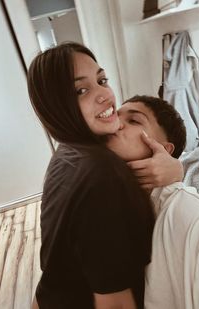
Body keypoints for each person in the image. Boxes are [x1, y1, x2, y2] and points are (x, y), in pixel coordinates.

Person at [27, 42, 159, 309]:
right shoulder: (101, 173)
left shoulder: (66, 153)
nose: (105, 95)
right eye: (81, 90)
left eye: (102, 80)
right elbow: (115, 304)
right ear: (56, 106)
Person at [106, 95, 199, 309]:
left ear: (164, 149)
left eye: (134, 120)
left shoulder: (198, 219)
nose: (116, 123)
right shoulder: (97, 191)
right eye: (116, 115)